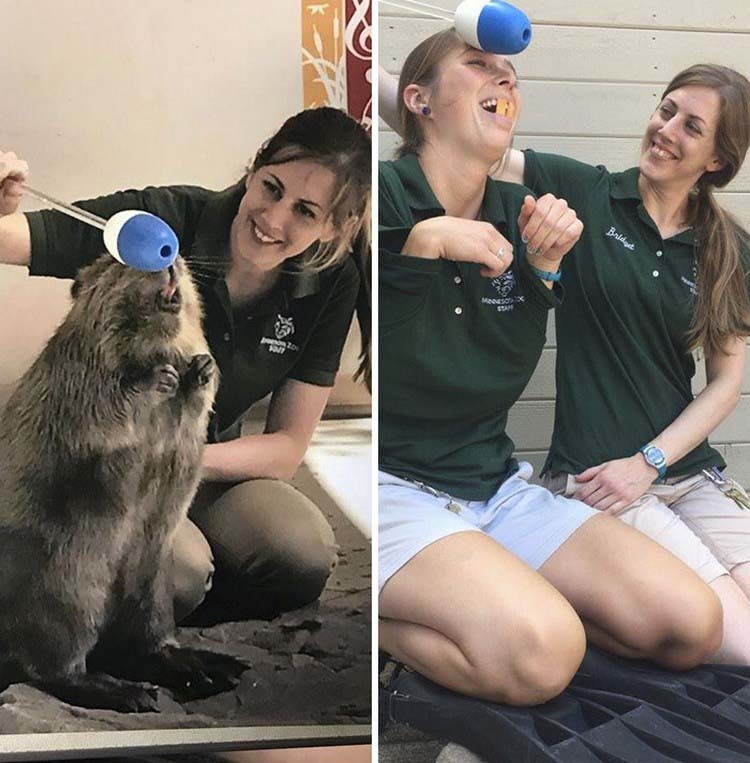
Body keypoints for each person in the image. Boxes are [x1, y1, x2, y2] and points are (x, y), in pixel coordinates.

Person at [378, 29, 722, 707]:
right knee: (546, 655)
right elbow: (397, 366)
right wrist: (420, 246)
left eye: (510, 75)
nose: (504, 81)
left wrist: (540, 269)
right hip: (393, 485)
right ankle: (393, 633)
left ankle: (489, 607)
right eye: (479, 67)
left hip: (495, 488)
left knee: (694, 623)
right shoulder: (383, 195)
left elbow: (500, 369)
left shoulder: (525, 214)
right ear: (419, 100)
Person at [0, 106, 371, 624]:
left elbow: (286, 448)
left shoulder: (332, 283)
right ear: (253, 169)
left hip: (203, 461)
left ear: (335, 227)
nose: (273, 218)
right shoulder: (160, 222)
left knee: (300, 554)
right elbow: (12, 238)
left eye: (306, 212)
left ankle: (146, 612)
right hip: (100, 468)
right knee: (179, 573)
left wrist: (182, 460)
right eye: (271, 188)